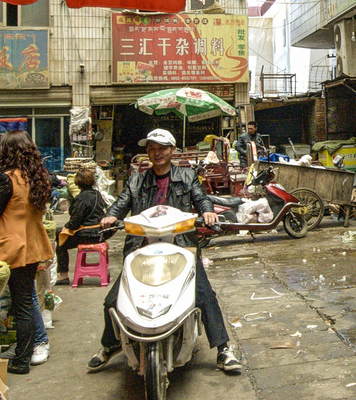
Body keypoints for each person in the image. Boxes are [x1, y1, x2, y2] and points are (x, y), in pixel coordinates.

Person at [87, 128, 241, 375]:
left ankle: (223, 350)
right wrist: (111, 216)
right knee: (113, 299)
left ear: (172, 151)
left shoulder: (187, 176)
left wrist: (208, 212)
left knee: (203, 293)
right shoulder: (137, 179)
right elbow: (122, 201)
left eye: (161, 148)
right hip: (143, 246)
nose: (156, 153)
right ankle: (111, 343)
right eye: (151, 148)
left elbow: (201, 199)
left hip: (181, 245)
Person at [0, 132, 55, 375]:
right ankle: (22, 355)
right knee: (25, 301)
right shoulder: (35, 177)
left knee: (21, 304)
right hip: (32, 244)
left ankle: (21, 359)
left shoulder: (5, 179)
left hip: (9, 245)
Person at [56, 164, 108, 281]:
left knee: (59, 238)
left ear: (78, 183)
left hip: (86, 235)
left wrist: (66, 227)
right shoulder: (97, 195)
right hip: (99, 234)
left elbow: (75, 222)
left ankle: (63, 275)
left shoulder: (81, 198)